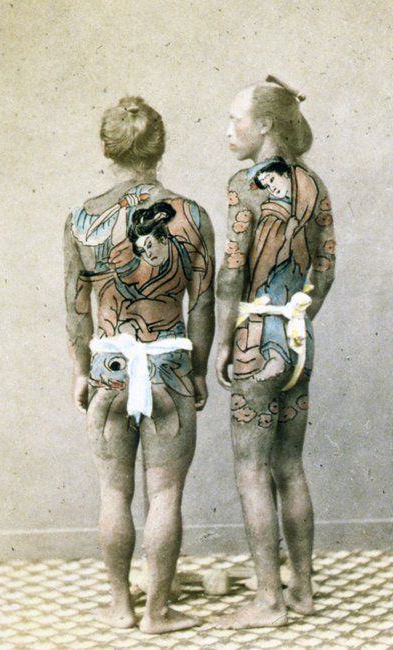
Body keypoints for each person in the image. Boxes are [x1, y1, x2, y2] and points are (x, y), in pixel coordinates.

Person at [64, 95, 215, 634]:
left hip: (109, 368)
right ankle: (158, 612)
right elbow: (202, 304)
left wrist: (79, 369)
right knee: (165, 495)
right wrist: (199, 371)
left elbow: (76, 306)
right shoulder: (191, 215)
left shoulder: (82, 219)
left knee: (114, 493)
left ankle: (120, 607)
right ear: (160, 146)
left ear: (106, 147)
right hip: (167, 367)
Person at [216, 76, 336, 629]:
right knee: (290, 466)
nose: (229, 130)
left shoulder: (245, 184)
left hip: (254, 340)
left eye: (236, 119)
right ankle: (302, 590)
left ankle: (268, 601)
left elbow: (232, 271)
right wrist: (298, 318)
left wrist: (224, 340)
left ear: (264, 124)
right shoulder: (314, 183)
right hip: (297, 339)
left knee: (251, 470)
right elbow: (325, 268)